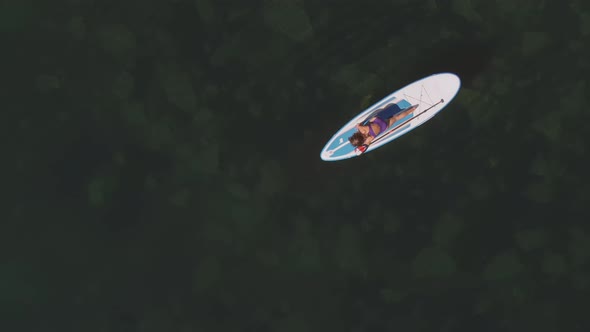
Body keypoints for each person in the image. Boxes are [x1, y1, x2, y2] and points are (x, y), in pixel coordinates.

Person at [348, 102, 418, 153]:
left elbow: (365, 146)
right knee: (370, 120)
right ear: (356, 135)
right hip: (377, 120)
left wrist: (359, 149)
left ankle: (412, 109)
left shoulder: (368, 139)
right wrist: (358, 126)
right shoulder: (362, 129)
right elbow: (358, 125)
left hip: (384, 126)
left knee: (397, 118)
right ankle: (402, 109)